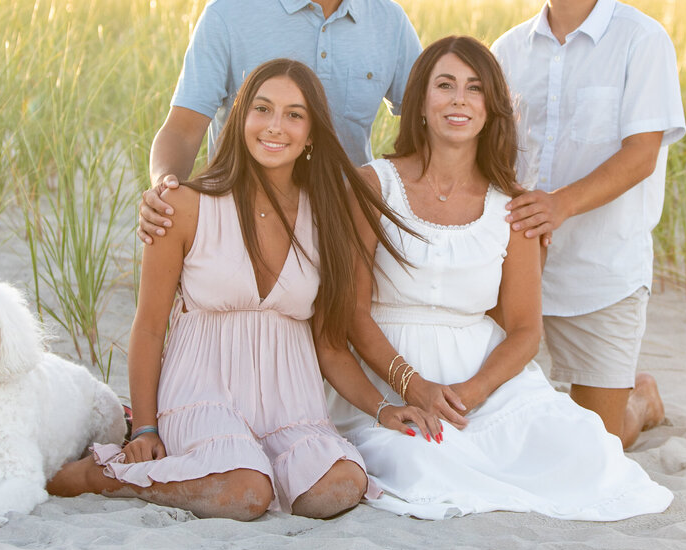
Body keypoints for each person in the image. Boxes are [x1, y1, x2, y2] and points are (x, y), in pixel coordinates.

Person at [48, 60, 430, 519]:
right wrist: (146, 427)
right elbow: (149, 327)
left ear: (311, 134)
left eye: (294, 115)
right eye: (262, 109)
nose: (275, 126)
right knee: (248, 491)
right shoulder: (185, 206)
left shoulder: (327, 217)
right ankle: (105, 477)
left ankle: (241, 469)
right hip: (203, 392)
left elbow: (330, 347)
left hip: (291, 403)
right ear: (240, 118)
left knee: (341, 483)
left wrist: (383, 408)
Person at [324, 35, 673, 520]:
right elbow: (352, 313)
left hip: (480, 377)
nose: (459, 100)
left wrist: (472, 392)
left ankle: (639, 401)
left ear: (491, 109)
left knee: (585, 449)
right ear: (420, 103)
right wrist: (412, 385)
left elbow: (528, 330)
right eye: (444, 85)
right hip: (387, 372)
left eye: (474, 88)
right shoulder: (372, 185)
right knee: (421, 462)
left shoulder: (513, 206)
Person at [491, 0, 686, 449]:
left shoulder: (642, 41)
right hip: (517, 274)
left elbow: (641, 155)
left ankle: (639, 401)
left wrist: (558, 206)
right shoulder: (506, 52)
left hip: (604, 271)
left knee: (597, 446)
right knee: (505, 429)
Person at [138, 0, 422, 244]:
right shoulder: (229, 14)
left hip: (343, 235)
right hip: (240, 233)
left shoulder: (390, 24)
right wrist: (164, 187)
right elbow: (183, 132)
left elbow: (429, 127)